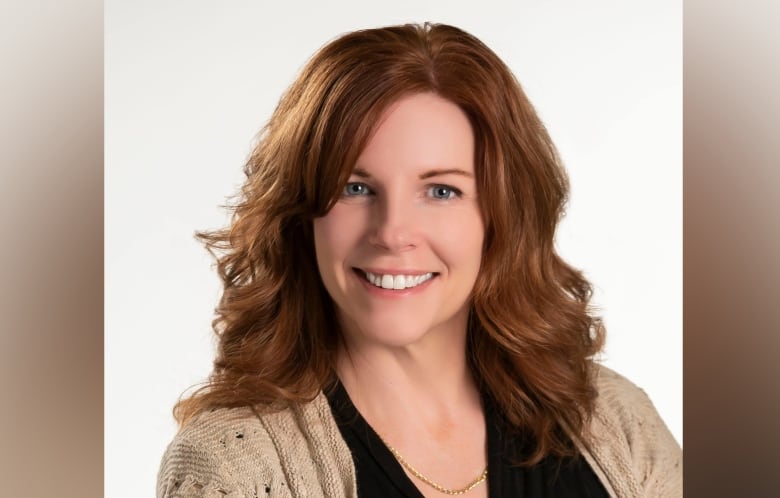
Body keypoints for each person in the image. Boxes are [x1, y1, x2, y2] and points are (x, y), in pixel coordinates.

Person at [157, 22, 681, 498]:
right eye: (354, 187)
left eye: (442, 191)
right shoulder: (231, 469)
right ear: (302, 214)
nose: (392, 233)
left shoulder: (618, 424)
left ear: (501, 218)